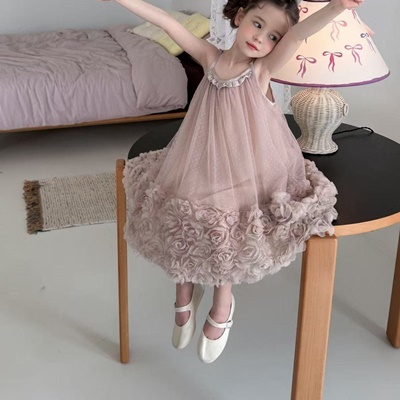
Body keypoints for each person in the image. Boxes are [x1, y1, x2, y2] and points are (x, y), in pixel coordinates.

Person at [101, 0, 364, 363]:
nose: (261, 38)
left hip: (246, 166)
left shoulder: (261, 71)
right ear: (240, 17)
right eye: (257, 24)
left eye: (273, 36)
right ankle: (184, 288)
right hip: (198, 157)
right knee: (181, 207)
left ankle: (223, 299)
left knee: (224, 222)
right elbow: (163, 20)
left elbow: (299, 34)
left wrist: (336, 6)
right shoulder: (209, 57)